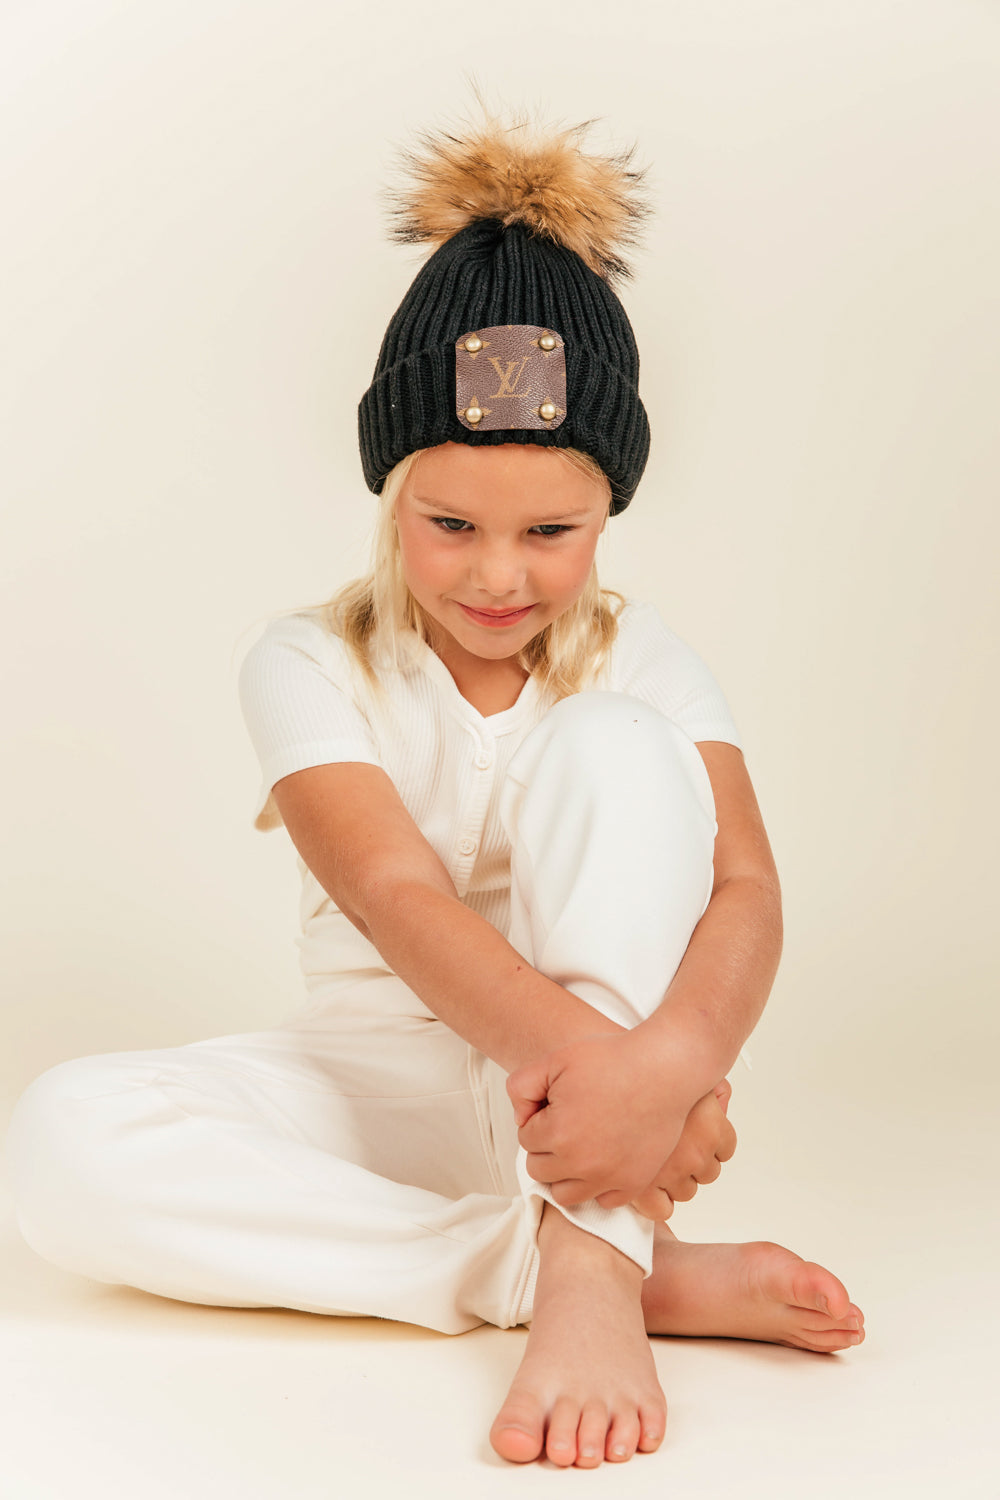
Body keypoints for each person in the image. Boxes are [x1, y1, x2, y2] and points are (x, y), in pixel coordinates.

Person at [4, 107, 864, 1469]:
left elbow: (747, 886)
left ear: (608, 512)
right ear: (391, 496)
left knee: (616, 742)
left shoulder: (645, 661)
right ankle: (569, 1261)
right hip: (394, 1094)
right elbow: (395, 895)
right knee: (61, 1145)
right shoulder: (306, 662)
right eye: (450, 524)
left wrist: (671, 1066)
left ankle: (590, 1266)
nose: (497, 575)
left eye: (551, 531)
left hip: (598, 1101)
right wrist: (622, 1100)